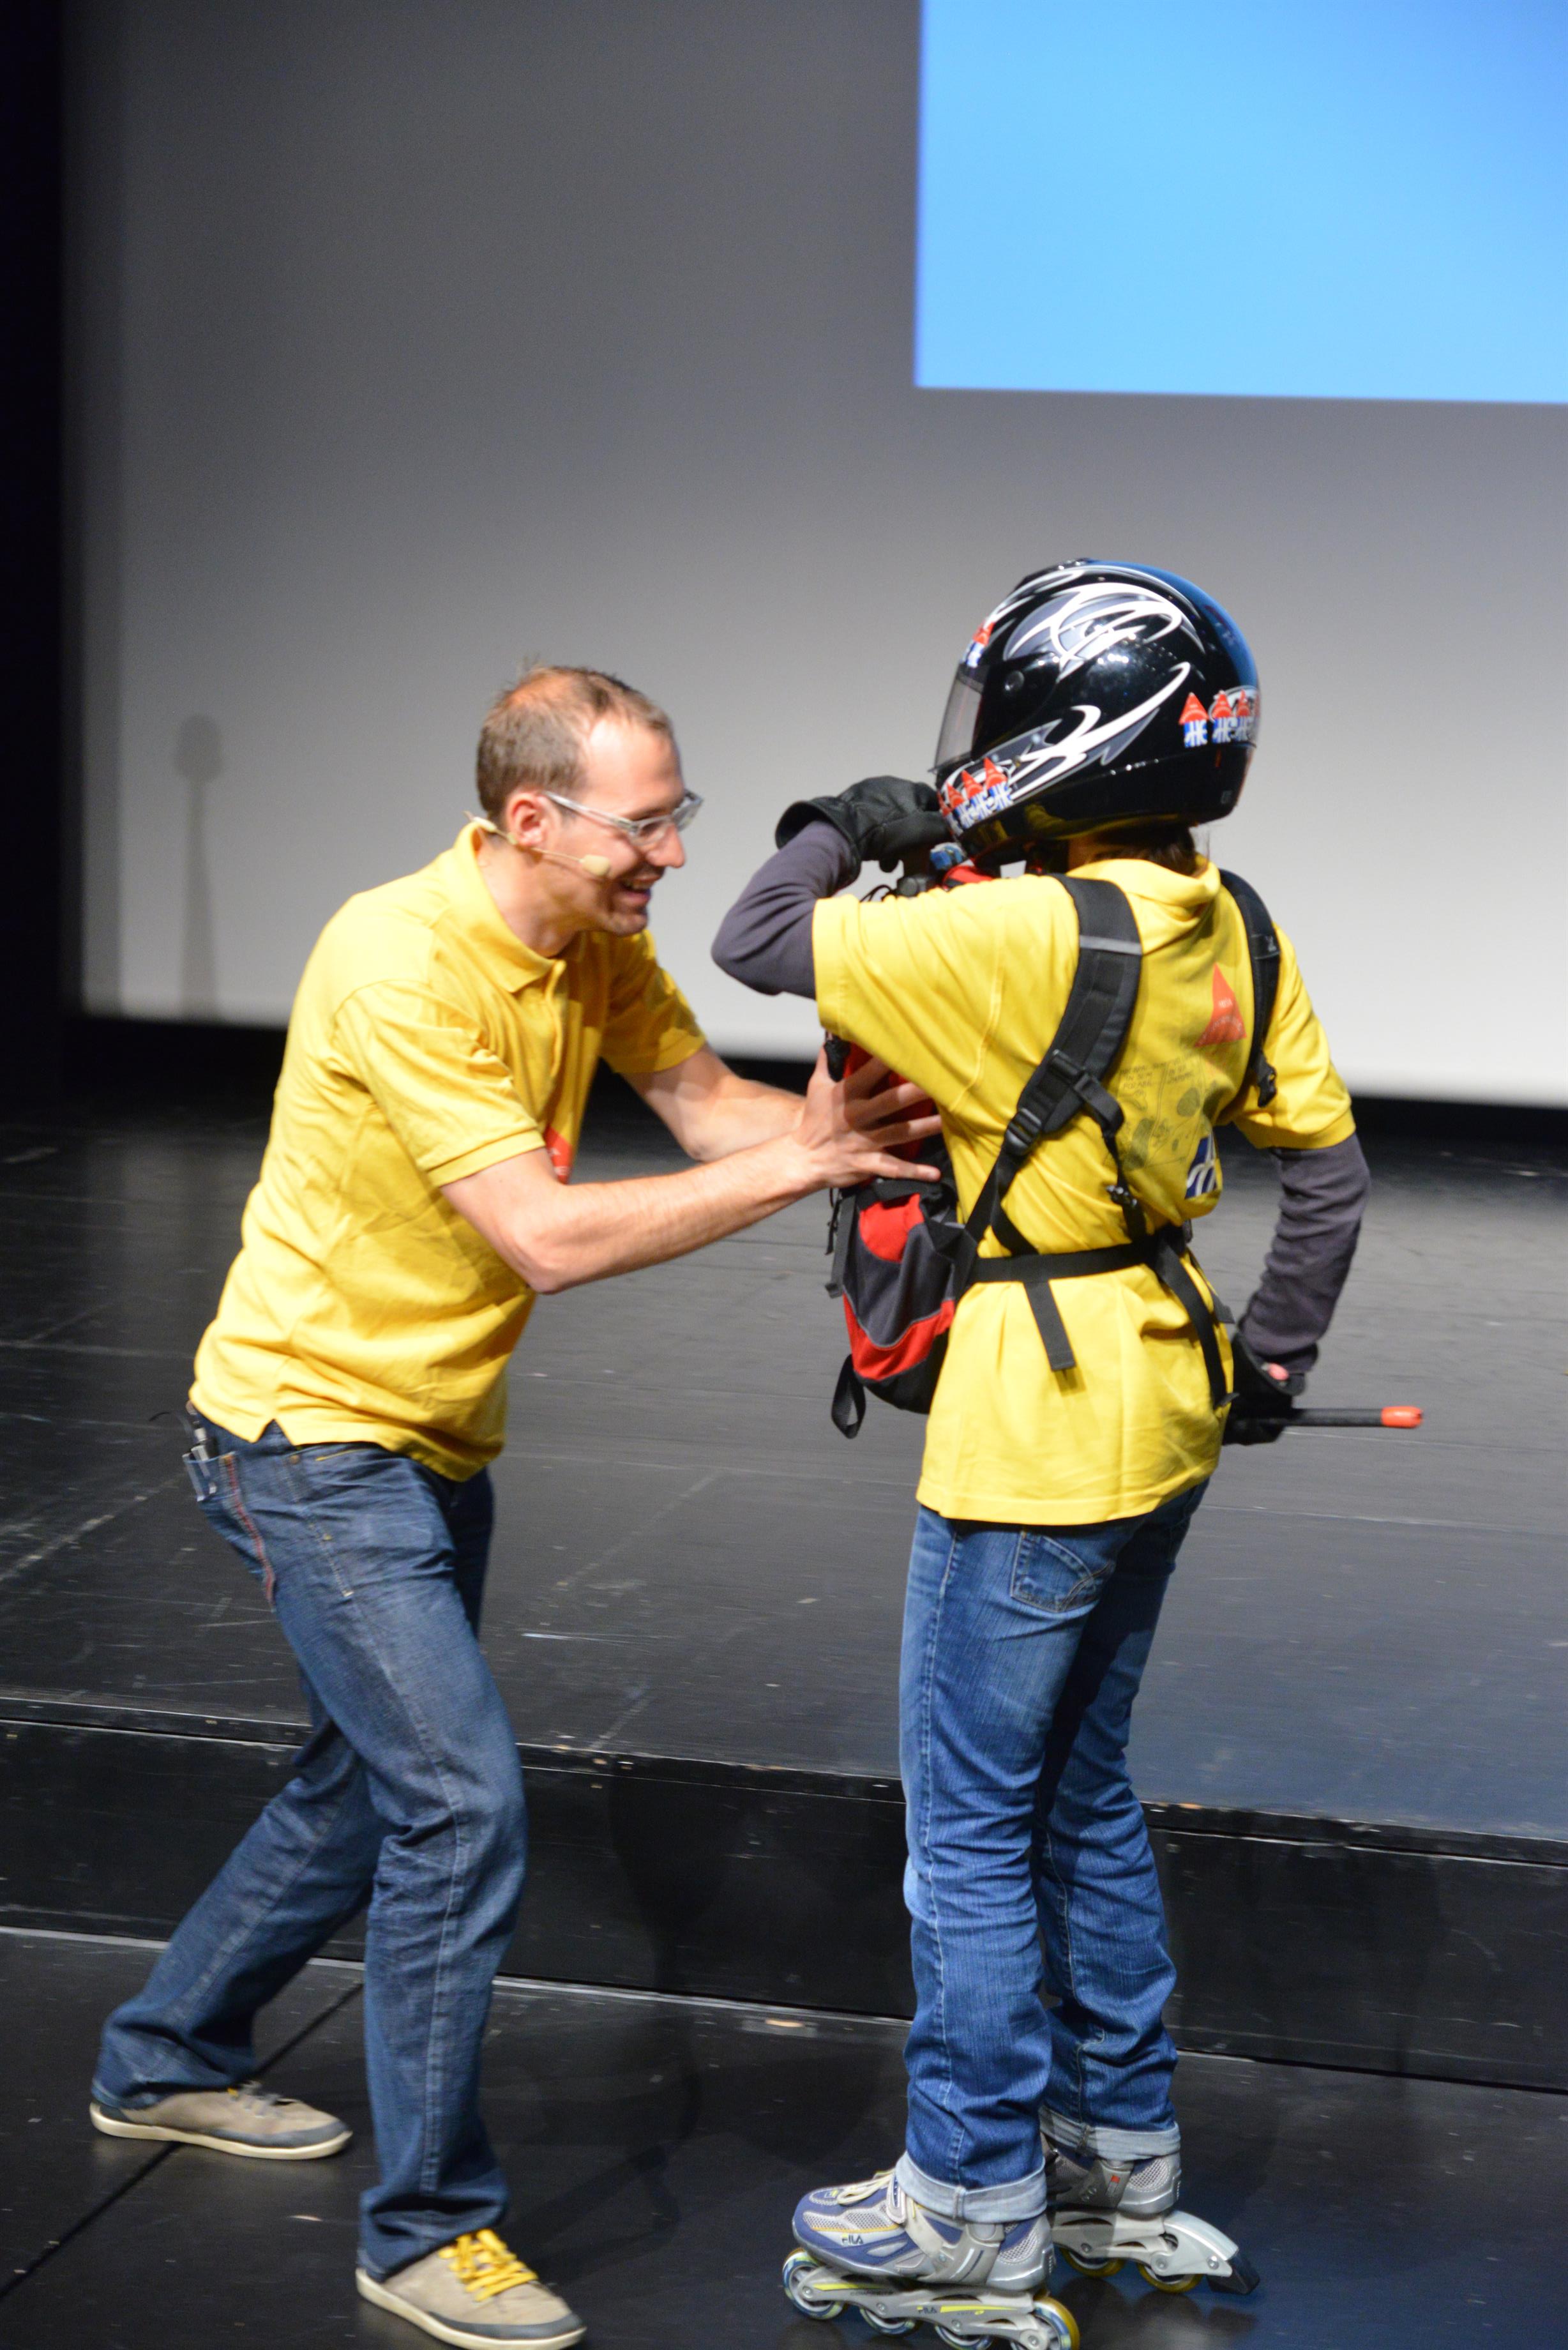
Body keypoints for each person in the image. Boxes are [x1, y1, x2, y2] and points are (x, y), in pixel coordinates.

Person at [89, 664, 938, 2350]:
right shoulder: (399, 959)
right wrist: (806, 1166)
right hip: (306, 1436)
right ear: (531, 819)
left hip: (430, 1434)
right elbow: (543, 1238)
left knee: (365, 1783)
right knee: (458, 1804)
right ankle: (424, 2235)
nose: (671, 859)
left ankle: (163, 2055)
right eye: (646, 828)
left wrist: (898, 1135)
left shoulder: (587, 942)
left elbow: (707, 1106)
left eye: (681, 820)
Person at [713, 563, 1371, 2339]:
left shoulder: (1015, 935)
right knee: (1083, 1798)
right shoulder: (1233, 923)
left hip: (1030, 1433)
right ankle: (1119, 2172)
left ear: (1080, 736)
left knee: (969, 1835)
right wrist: (1272, 1359)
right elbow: (1328, 1176)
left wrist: (843, 822)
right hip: (1164, 1392)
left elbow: (759, 938)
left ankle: (969, 2204)